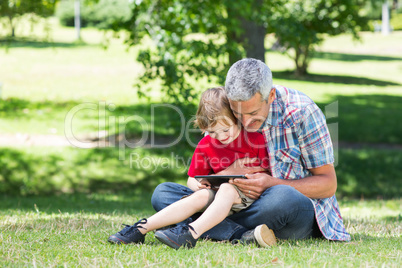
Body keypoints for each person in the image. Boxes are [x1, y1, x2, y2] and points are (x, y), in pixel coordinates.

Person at [151, 58, 351, 243]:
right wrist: (214, 182)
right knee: (164, 193)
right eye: (238, 114)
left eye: (253, 113)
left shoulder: (302, 113)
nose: (245, 122)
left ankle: (202, 226)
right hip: (230, 204)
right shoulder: (225, 108)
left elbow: (328, 184)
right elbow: (205, 174)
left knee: (283, 197)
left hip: (280, 209)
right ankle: (243, 235)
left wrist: (271, 183)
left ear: (271, 95)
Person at [108, 87, 276, 249]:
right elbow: (192, 178)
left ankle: (191, 232)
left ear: (237, 118)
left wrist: (238, 177)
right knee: (178, 193)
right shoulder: (206, 144)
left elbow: (269, 173)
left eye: (225, 130)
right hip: (217, 199)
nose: (221, 137)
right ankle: (139, 229)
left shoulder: (255, 139)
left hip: (248, 198)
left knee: (226, 189)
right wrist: (198, 185)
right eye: (213, 132)